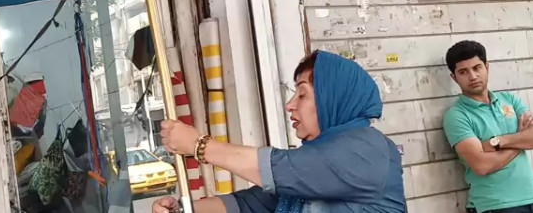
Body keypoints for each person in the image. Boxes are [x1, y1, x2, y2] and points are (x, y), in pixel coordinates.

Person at [152, 50, 405, 213]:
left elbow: (278, 169)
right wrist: (183, 209)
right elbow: (247, 205)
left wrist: (198, 144)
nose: (290, 105)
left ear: (333, 100)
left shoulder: (368, 150)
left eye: (302, 94)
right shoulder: (310, 169)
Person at [443, 40, 533, 213]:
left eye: (477, 68)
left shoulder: (509, 100)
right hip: (495, 205)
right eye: (463, 72)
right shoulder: (457, 116)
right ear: (454, 77)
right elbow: (482, 165)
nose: (473, 76)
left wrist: (498, 142)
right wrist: (522, 139)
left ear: (487, 67)